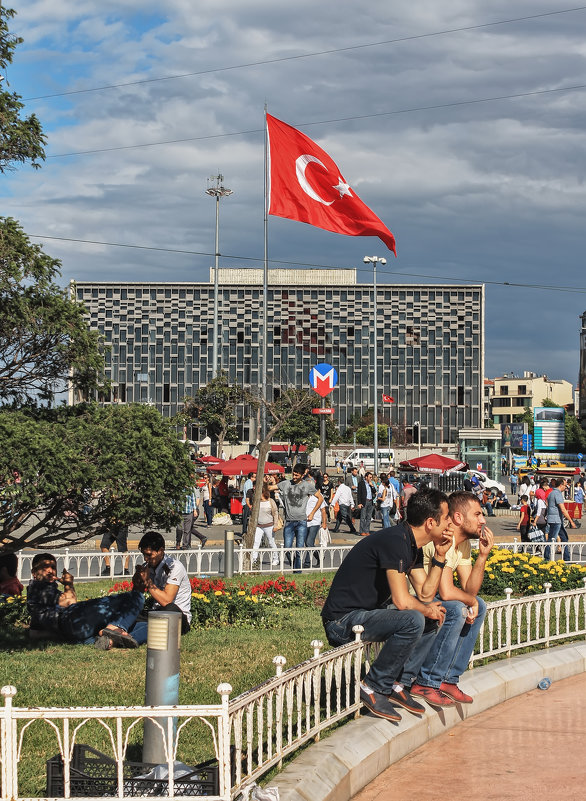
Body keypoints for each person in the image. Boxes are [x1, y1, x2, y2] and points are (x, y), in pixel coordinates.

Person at [321, 487, 453, 722]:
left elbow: (424, 594)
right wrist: (425, 608)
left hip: (367, 615)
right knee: (414, 618)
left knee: (431, 616)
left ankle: (398, 684)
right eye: (446, 519)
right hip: (342, 622)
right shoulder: (396, 541)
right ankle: (372, 686)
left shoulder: (411, 544)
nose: (450, 526)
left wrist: (440, 558)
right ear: (431, 522)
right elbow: (403, 602)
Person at [400, 492, 493, 706]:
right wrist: (470, 601)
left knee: (478, 604)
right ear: (459, 518)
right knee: (456, 609)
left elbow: (470, 589)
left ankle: (448, 679)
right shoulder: (445, 538)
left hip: (433, 597)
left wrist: (483, 556)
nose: (483, 520)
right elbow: (447, 591)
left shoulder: (463, 544)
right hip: (416, 599)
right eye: (477, 514)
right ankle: (427, 681)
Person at [27, 552, 144, 648]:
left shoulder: (41, 594)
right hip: (72, 620)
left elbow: (34, 633)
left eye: (53, 567)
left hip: (74, 632)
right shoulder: (38, 589)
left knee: (147, 626)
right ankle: (115, 628)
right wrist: (68, 584)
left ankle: (112, 640)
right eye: (44, 567)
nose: (50, 571)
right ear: (34, 573)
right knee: (135, 596)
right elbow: (70, 601)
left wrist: (61, 634)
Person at [128, 531, 193, 645]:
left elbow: (167, 600)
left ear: (161, 551)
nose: (146, 559)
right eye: (144, 554)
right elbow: (136, 595)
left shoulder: (174, 567)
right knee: (131, 611)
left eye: (149, 555)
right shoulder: (149, 566)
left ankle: (132, 637)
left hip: (177, 617)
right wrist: (138, 581)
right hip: (157, 613)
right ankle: (122, 633)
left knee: (170, 610)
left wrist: (148, 582)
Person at [278, 465, 320, 572]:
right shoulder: (286, 483)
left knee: (299, 548)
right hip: (289, 521)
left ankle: (297, 571)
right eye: (293, 474)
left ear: (302, 475)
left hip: (301, 521)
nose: (294, 476)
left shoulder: (307, 485)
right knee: (287, 548)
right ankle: (295, 565)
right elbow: (270, 487)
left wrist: (312, 513)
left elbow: (320, 498)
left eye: (297, 475)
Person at [545, 477, 576, 561]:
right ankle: (546, 558)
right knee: (552, 539)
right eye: (565, 486)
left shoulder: (551, 493)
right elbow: (563, 509)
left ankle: (566, 558)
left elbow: (548, 504)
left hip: (552, 519)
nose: (566, 488)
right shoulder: (557, 494)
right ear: (561, 485)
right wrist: (571, 521)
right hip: (556, 520)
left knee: (564, 538)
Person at [252, 483, 280, 567]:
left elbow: (275, 513)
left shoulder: (270, 501)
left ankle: (276, 558)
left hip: (269, 525)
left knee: (271, 542)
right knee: (256, 542)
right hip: (259, 525)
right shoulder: (256, 502)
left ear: (264, 493)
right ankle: (254, 559)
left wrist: (275, 525)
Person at [176, 483, 206, 549]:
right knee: (179, 528)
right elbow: (174, 499)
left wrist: (195, 510)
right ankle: (178, 542)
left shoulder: (191, 489)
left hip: (189, 512)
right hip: (180, 512)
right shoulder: (178, 489)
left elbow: (194, 500)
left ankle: (185, 545)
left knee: (188, 529)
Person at [357, 471, 376, 537]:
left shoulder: (371, 484)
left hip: (370, 501)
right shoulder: (361, 483)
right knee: (363, 517)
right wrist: (359, 503)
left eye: (371, 477)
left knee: (369, 517)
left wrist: (372, 486)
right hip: (364, 501)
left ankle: (367, 530)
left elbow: (375, 491)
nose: (371, 478)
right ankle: (361, 531)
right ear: (366, 477)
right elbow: (359, 494)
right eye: (370, 477)